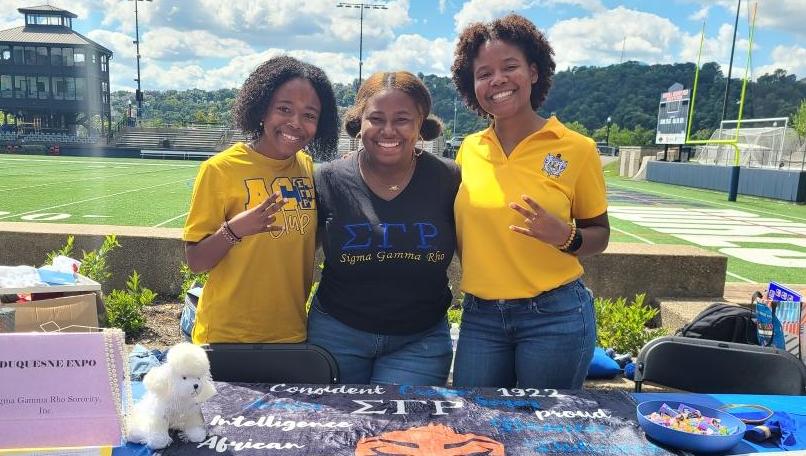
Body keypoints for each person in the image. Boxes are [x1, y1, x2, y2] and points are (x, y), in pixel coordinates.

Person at [450, 14, 610, 389]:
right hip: (480, 315)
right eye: (484, 73)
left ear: (534, 72)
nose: (498, 80)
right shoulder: (469, 150)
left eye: (510, 67)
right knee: (474, 427)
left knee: (546, 434)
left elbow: (600, 233)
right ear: (472, 85)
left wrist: (565, 237)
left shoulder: (577, 148)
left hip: (554, 315)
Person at [309, 71, 460, 385]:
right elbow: (295, 252)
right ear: (359, 122)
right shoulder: (328, 179)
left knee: (399, 433)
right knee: (334, 431)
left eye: (402, 119)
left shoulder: (449, 179)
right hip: (336, 334)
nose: (388, 130)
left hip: (420, 342)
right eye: (376, 118)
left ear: (421, 124)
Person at [183, 56, 339, 344]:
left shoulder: (305, 166)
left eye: (310, 115)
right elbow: (196, 261)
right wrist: (234, 231)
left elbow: (304, 238)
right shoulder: (219, 169)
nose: (295, 123)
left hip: (291, 333)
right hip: (226, 336)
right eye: (284, 109)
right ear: (262, 109)